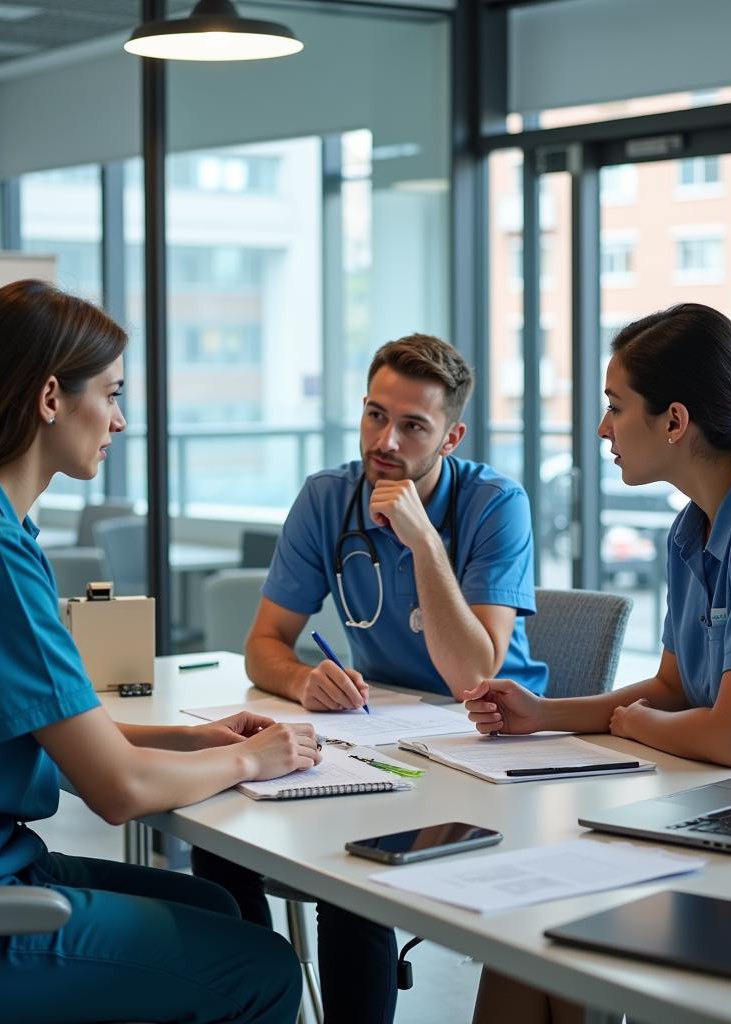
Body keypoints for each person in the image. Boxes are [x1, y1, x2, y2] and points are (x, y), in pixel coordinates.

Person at [0, 280, 319, 1024]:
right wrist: (252, 759)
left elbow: (45, 729)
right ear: (49, 397)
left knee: (215, 902)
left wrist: (194, 735)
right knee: (259, 968)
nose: (121, 419)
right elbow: (118, 791)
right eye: (110, 394)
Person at [465, 302, 731, 1024]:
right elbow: (673, 688)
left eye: (615, 407)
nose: (602, 429)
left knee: (570, 929)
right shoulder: (695, 526)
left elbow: (730, 736)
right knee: (529, 936)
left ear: (675, 421)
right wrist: (543, 715)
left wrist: (631, 724)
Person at [191, 332, 549, 1024]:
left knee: (348, 870)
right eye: (374, 415)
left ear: (451, 437)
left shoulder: (495, 505)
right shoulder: (328, 499)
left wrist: (423, 542)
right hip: (386, 735)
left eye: (413, 425)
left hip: (495, 748)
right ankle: (252, 1004)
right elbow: (263, 643)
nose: (385, 440)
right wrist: (301, 683)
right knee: (220, 823)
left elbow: (472, 672)